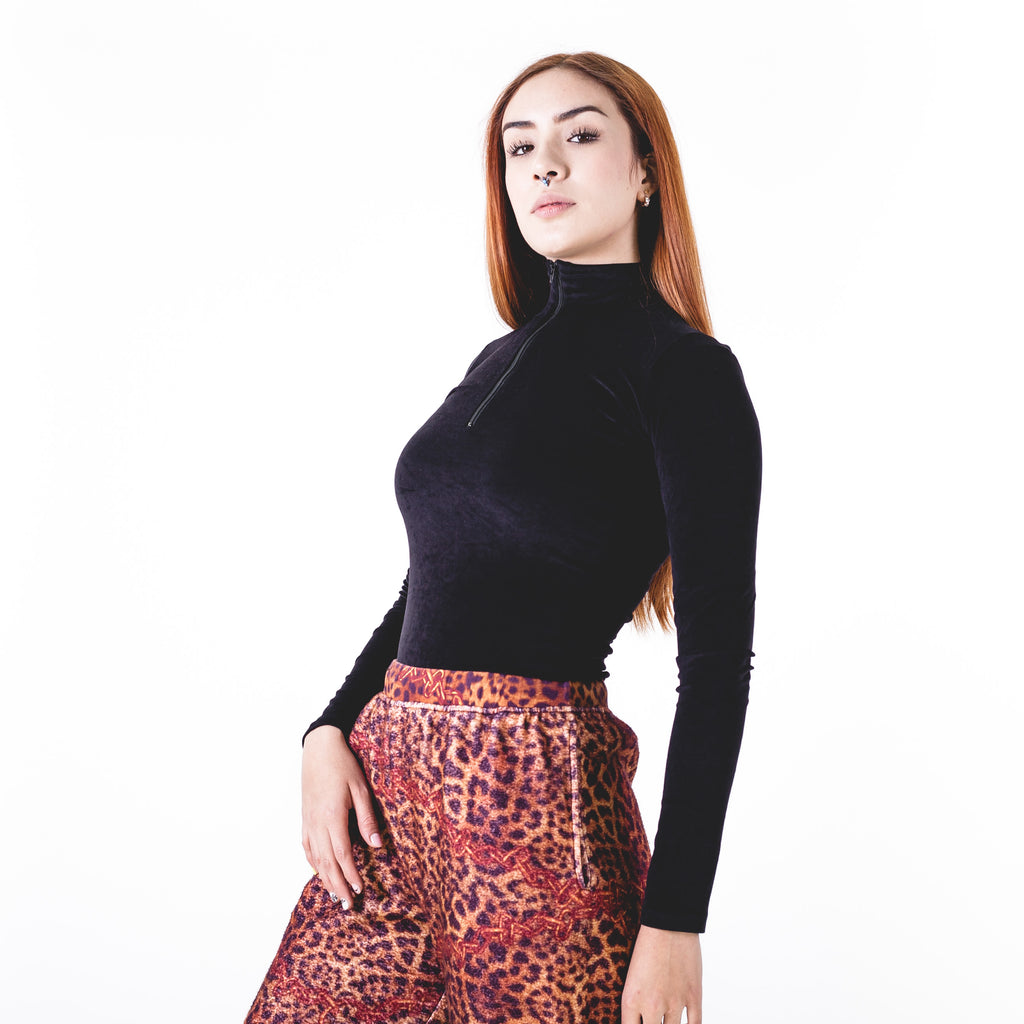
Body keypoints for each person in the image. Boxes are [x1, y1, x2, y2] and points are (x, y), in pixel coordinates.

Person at [245, 50, 762, 1024]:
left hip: (535, 805)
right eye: (519, 148)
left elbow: (716, 667)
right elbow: (434, 577)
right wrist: (329, 727)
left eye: (580, 135)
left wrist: (675, 923)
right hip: (391, 793)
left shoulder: (684, 372)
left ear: (646, 171)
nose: (544, 165)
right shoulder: (499, 358)